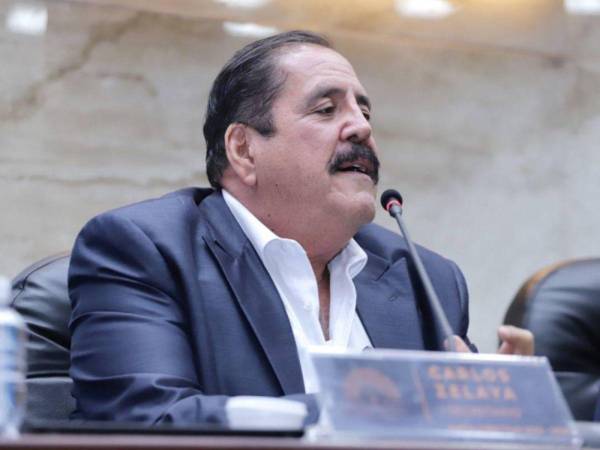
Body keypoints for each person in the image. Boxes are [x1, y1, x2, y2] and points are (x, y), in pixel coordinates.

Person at [68, 30, 533, 425]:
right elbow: (148, 421)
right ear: (244, 149)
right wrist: (385, 406)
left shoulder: (424, 279)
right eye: (326, 110)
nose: (361, 128)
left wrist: (506, 408)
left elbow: (456, 424)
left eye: (365, 112)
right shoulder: (145, 251)